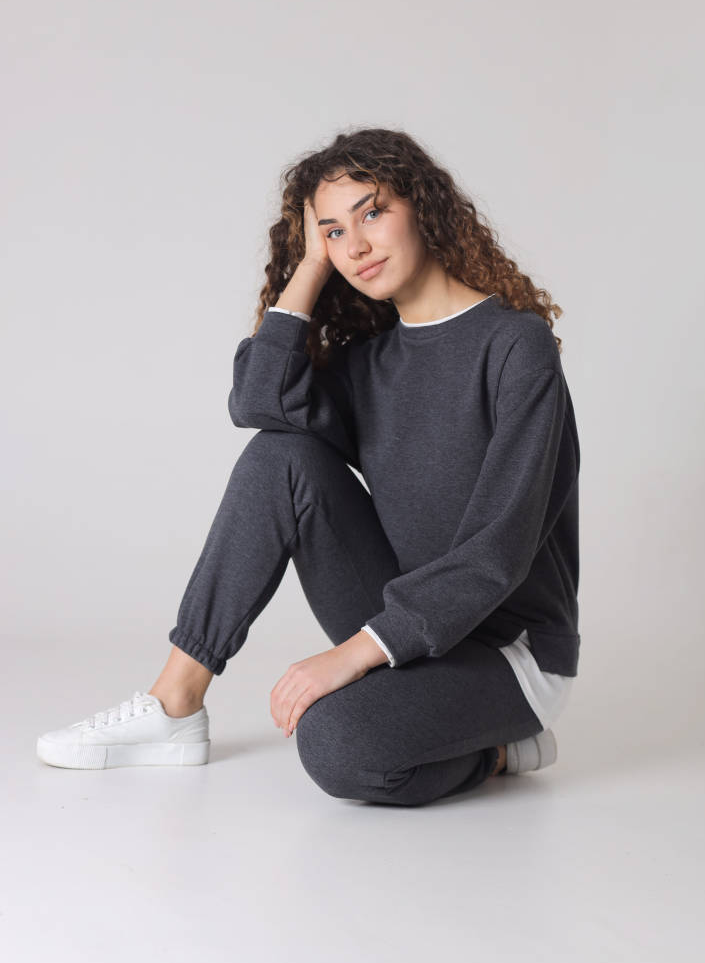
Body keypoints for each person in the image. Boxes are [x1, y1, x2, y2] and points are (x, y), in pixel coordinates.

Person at [37, 127, 581, 806]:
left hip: (507, 652)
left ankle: (501, 751)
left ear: (424, 207)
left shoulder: (515, 346)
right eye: (333, 231)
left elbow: (498, 549)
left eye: (372, 213)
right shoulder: (371, 364)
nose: (356, 246)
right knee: (281, 454)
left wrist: (350, 655)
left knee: (335, 742)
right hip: (406, 628)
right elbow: (257, 401)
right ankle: (175, 701)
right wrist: (307, 269)